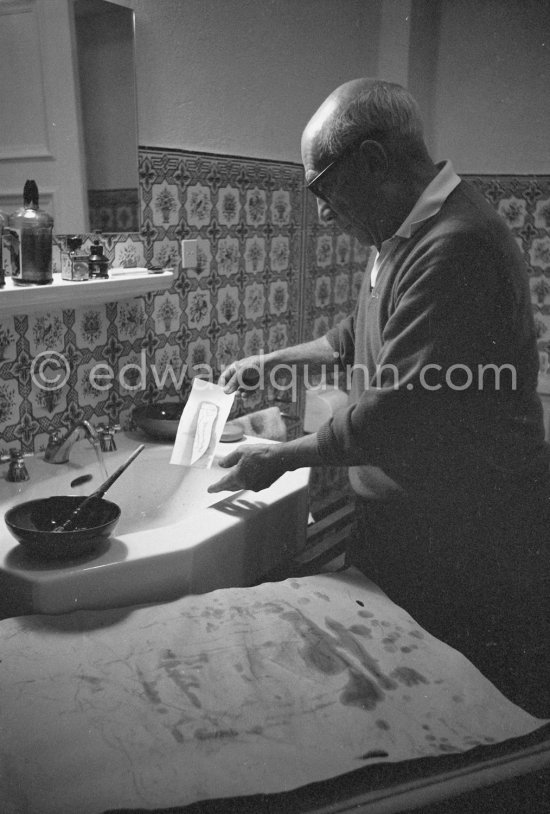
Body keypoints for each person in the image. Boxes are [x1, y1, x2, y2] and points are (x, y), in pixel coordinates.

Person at [208, 78, 549, 714]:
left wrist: (277, 459)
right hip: (416, 517)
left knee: (453, 712)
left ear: (371, 161)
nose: (321, 212)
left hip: (462, 531)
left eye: (321, 187)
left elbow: (394, 417)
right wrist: (271, 360)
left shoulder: (455, 245)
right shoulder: (404, 235)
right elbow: (354, 335)